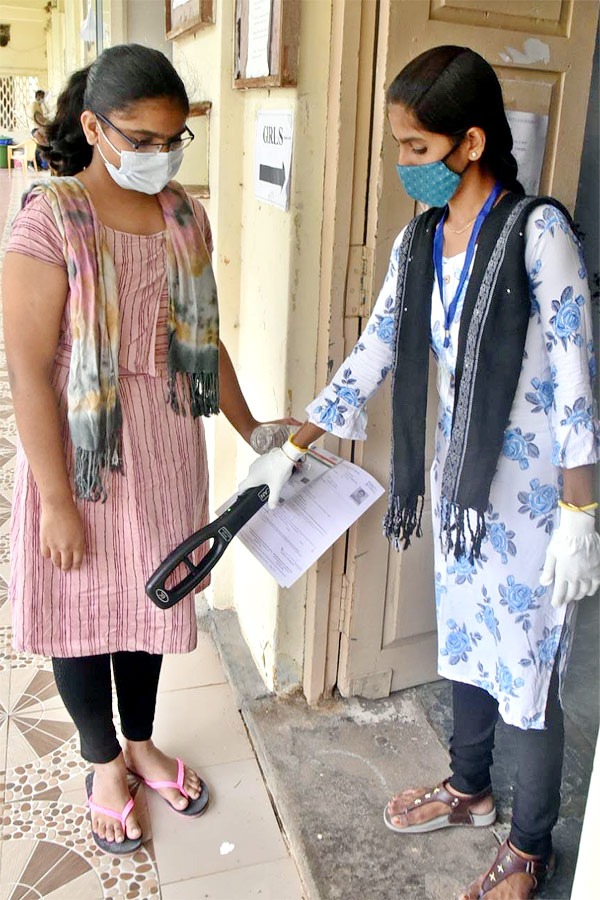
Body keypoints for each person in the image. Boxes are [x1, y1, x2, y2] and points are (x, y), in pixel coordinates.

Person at [240, 46, 600, 899]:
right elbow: (374, 352)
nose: (405, 165)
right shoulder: (422, 241)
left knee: (531, 668)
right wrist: (297, 442)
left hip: (540, 504)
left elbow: (582, 374)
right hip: (464, 493)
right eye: (400, 146)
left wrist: (583, 512)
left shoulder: (538, 232)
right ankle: (470, 789)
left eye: (417, 149)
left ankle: (531, 845)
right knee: (470, 644)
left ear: (470, 142)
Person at [3, 44, 295, 856]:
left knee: (149, 605)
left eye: (173, 140)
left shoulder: (185, 217)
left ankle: (141, 740)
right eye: (141, 139)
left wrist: (255, 430)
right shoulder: (51, 217)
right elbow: (27, 374)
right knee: (80, 616)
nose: (158, 156)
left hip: (166, 445)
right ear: (94, 127)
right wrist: (56, 499)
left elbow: (203, 345)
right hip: (82, 452)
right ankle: (103, 763)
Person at [26, 89, 48, 169]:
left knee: (43, 143)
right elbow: (35, 116)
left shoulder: (39, 106)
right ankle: (32, 163)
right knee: (42, 143)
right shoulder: (33, 105)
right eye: (42, 97)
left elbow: (42, 117)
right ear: (38, 96)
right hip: (34, 128)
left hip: (39, 128)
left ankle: (39, 164)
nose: (43, 98)